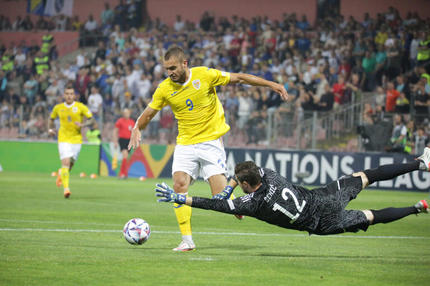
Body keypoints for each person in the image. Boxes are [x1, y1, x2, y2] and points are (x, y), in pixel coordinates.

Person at [128, 46, 288, 251]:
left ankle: (235, 201)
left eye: (173, 67)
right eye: (167, 69)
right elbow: (150, 112)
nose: (170, 73)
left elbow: (239, 78)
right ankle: (187, 240)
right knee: (178, 184)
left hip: (211, 143)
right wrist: (136, 127)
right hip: (185, 143)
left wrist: (272, 84)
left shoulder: (205, 75)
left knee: (220, 199)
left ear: (185, 63)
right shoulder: (165, 88)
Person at [155, 148, 430, 238]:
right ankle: (420, 163)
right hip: (323, 198)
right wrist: (229, 185)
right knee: (368, 176)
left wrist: (181, 197)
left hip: (322, 224)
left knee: (373, 216)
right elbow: (248, 174)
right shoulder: (269, 174)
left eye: (239, 182)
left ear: (246, 184)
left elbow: (213, 205)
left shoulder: (252, 205)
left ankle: (417, 207)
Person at [48, 83, 94, 198]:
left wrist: (83, 124)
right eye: (67, 94)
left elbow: (92, 120)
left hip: (77, 140)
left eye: (71, 94)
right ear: (64, 95)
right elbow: (51, 119)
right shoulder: (58, 108)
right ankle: (66, 189)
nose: (69, 96)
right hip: (63, 138)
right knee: (66, 162)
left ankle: (61, 174)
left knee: (70, 165)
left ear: (75, 95)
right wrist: (50, 129)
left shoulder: (80, 107)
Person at [113, 108, 135, 179]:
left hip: (129, 141)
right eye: (125, 113)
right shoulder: (120, 121)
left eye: (127, 113)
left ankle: (124, 174)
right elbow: (115, 131)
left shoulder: (132, 122)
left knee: (126, 157)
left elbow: (134, 133)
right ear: (123, 114)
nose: (126, 114)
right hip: (122, 140)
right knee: (125, 155)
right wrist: (115, 141)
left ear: (129, 113)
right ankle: (122, 174)